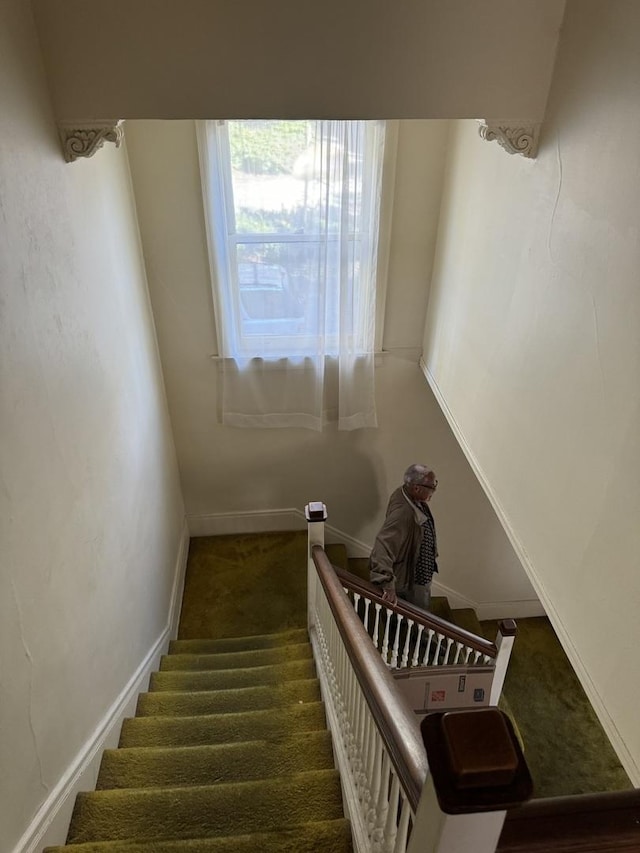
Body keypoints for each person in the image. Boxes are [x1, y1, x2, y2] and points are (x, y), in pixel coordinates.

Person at [369, 464, 439, 610]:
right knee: (420, 615)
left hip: (417, 572)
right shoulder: (403, 513)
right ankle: (420, 633)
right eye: (431, 487)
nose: (434, 490)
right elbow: (382, 546)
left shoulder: (406, 495)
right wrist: (386, 583)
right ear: (416, 488)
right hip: (414, 578)